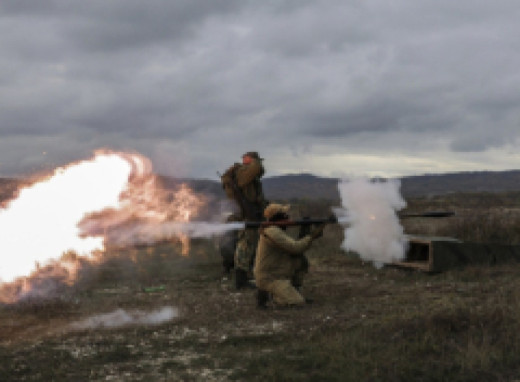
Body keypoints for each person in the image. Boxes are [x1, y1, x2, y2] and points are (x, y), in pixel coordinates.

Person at [254, 203, 324, 308]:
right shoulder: (272, 231)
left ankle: (292, 290)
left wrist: (305, 232)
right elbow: (295, 248)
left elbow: (295, 250)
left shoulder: (274, 229)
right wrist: (311, 236)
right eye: (285, 215)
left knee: (300, 260)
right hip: (270, 277)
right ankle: (271, 295)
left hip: (276, 273)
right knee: (297, 302)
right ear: (278, 217)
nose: (288, 218)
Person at [221, 151, 267, 289]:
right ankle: (241, 279)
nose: (256, 162)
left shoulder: (243, 173)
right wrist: (254, 162)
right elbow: (257, 168)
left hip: (249, 212)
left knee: (249, 244)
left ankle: (246, 274)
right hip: (247, 214)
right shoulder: (243, 172)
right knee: (245, 244)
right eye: (253, 159)